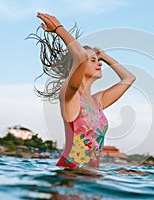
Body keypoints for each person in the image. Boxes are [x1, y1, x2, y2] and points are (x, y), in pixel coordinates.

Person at [36, 13, 136, 169]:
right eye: (93, 60)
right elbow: (80, 57)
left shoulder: (98, 100)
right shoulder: (70, 95)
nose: (100, 64)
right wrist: (58, 29)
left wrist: (105, 56)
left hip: (90, 176)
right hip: (72, 174)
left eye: (99, 61)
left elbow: (128, 78)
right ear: (78, 66)